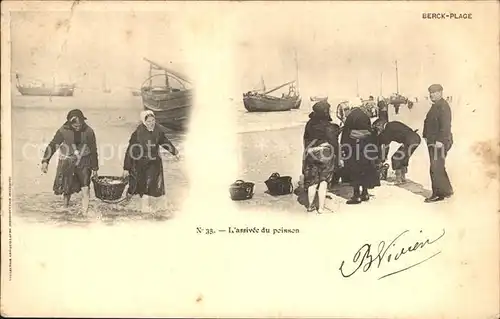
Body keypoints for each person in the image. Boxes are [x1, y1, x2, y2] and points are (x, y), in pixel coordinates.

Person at [41, 109, 99, 216]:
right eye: (75, 125)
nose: (78, 127)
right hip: (68, 162)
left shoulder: (89, 131)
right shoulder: (63, 131)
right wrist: (45, 161)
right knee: (67, 189)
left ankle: (84, 213)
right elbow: (53, 145)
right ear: (69, 123)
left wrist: (95, 168)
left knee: (85, 187)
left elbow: (93, 150)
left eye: (80, 125)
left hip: (84, 162)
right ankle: (65, 209)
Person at [123, 110, 179, 213]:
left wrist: (175, 152)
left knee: (151, 186)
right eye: (148, 121)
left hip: (154, 163)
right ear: (144, 122)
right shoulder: (137, 133)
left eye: (153, 120)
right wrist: (126, 168)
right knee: (135, 187)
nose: (151, 123)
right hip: (140, 163)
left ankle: (149, 208)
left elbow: (165, 142)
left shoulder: (158, 131)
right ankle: (127, 204)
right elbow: (130, 151)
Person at [302, 101, 340, 214]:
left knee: (312, 181)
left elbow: (305, 139)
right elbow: (333, 142)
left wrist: (307, 151)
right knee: (323, 181)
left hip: (311, 153)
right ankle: (321, 208)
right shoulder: (327, 125)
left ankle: (310, 206)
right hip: (325, 153)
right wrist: (338, 156)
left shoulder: (309, 124)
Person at [341, 100, 381, 204]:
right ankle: (365, 193)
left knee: (354, 171)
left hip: (353, 148)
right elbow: (370, 133)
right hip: (366, 147)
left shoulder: (351, 116)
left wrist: (343, 148)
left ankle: (356, 195)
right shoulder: (365, 116)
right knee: (365, 170)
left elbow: (346, 134)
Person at [422, 84, 454, 202]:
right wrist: (425, 136)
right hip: (432, 141)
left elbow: (446, 126)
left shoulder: (443, 106)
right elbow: (428, 122)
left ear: (441, 92)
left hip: (439, 141)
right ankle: (447, 190)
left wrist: (441, 140)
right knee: (439, 166)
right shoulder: (436, 106)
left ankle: (438, 193)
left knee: (435, 167)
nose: (432, 95)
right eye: (430, 92)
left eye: (434, 92)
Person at [373, 119, 421, 184]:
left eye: (377, 128)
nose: (378, 130)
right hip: (416, 138)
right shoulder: (393, 124)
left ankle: (398, 179)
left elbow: (385, 145)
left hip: (410, 140)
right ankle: (403, 178)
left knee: (396, 157)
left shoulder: (387, 129)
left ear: (380, 124)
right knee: (404, 157)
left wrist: (382, 159)